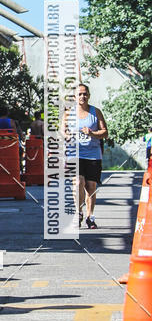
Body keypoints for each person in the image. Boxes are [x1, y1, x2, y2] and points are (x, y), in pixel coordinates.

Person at [65, 83, 108, 228]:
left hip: (93, 155)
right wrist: (66, 135)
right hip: (74, 153)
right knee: (78, 182)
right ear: (74, 97)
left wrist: (91, 133)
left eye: (85, 93)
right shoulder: (68, 113)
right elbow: (61, 131)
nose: (82, 96)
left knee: (91, 186)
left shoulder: (96, 112)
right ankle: (78, 213)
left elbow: (105, 132)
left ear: (89, 95)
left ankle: (90, 216)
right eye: (80, 94)